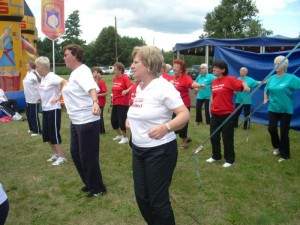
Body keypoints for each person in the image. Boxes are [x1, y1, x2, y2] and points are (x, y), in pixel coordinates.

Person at [127, 45, 190, 225]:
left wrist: (167, 127)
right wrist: (130, 120)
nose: (132, 66)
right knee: (142, 197)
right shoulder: (140, 87)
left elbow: (184, 114)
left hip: (160, 152)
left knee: (157, 201)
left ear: (148, 65)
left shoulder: (163, 87)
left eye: (136, 62)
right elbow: (140, 110)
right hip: (139, 150)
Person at [62, 44, 107, 197]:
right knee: (75, 153)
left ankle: (98, 188)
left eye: (66, 55)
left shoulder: (83, 71)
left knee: (88, 156)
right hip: (76, 121)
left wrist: (95, 102)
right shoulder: (75, 73)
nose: (64, 58)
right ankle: (89, 183)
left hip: (87, 120)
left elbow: (91, 88)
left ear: (75, 55)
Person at [207, 60, 250, 168]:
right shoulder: (214, 81)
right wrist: (212, 100)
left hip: (227, 114)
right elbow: (214, 93)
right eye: (214, 67)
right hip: (215, 113)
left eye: (217, 68)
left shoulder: (229, 79)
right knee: (214, 136)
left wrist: (245, 86)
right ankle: (216, 156)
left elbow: (241, 83)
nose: (214, 69)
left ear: (223, 70)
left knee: (227, 138)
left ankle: (230, 160)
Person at [264, 55, 300, 162]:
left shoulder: (291, 78)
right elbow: (266, 89)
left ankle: (285, 155)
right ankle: (277, 147)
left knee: (284, 132)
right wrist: (266, 98)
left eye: (278, 63)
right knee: (271, 128)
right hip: (273, 108)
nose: (276, 66)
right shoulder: (271, 78)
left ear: (284, 66)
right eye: (275, 64)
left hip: (285, 109)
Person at [36, 56, 67, 166]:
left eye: (37, 66)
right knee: (47, 134)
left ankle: (62, 157)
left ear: (44, 67)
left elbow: (65, 82)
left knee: (54, 133)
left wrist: (59, 96)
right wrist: (42, 98)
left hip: (53, 110)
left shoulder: (52, 76)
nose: (36, 69)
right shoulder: (44, 78)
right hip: (45, 109)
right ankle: (56, 154)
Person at [170, 59, 205, 149]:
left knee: (183, 123)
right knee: (173, 123)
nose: (174, 68)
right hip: (173, 105)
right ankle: (186, 137)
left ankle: (184, 142)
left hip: (183, 105)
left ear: (181, 69)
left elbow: (192, 83)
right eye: (173, 66)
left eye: (176, 67)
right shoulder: (172, 77)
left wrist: (198, 85)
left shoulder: (185, 77)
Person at [111, 62, 133, 144]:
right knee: (113, 120)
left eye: (115, 69)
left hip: (122, 102)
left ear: (120, 70)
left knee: (121, 120)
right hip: (115, 102)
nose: (114, 71)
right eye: (114, 69)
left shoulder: (125, 77)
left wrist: (126, 90)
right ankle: (119, 135)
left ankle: (125, 137)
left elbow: (131, 86)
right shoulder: (115, 78)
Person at [23, 60, 42, 136]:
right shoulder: (28, 73)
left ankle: (37, 131)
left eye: (27, 65)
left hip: (34, 98)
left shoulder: (34, 72)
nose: (26, 66)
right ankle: (31, 128)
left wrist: (36, 74)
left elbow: (40, 80)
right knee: (28, 114)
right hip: (28, 98)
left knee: (34, 114)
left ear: (31, 65)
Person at [92, 67, 108, 134]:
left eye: (95, 72)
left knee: (99, 116)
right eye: (93, 72)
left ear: (99, 74)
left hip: (100, 102)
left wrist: (96, 95)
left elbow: (106, 93)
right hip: (95, 102)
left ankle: (102, 130)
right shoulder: (92, 81)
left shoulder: (101, 82)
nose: (93, 73)